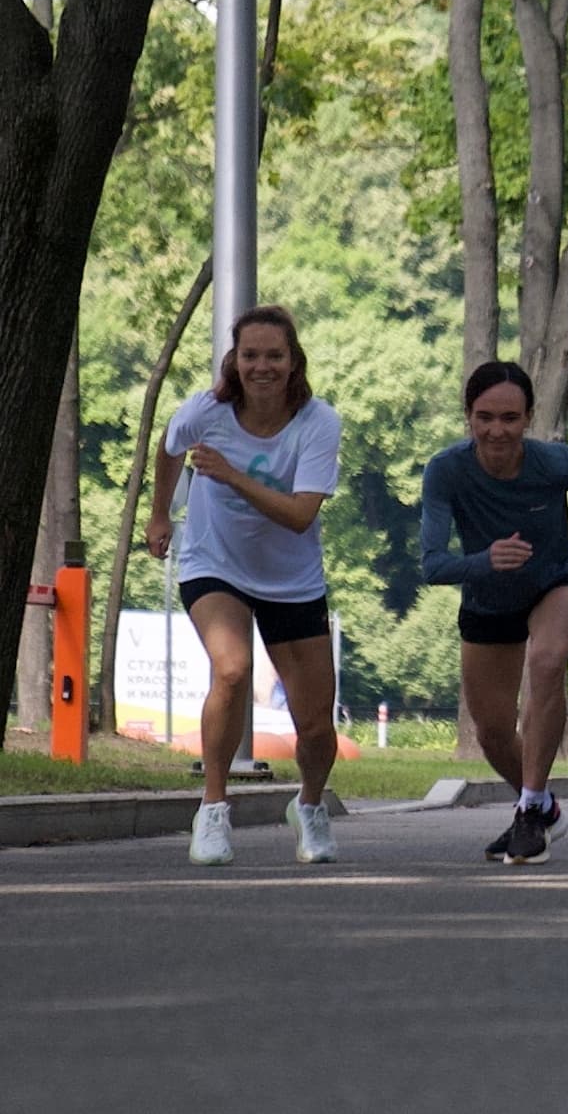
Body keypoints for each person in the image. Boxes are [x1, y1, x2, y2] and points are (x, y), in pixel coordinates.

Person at [146, 304, 344, 866]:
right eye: (250, 355)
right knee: (231, 669)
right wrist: (161, 515)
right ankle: (212, 809)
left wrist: (231, 473)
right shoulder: (207, 410)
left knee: (314, 725)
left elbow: (301, 514)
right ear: (235, 360)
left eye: (274, 356)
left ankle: (308, 805)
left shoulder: (317, 422)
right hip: (216, 565)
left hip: (292, 580)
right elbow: (170, 442)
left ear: (293, 361)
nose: (262, 367)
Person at [420, 361, 568, 865]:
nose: (497, 430)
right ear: (468, 416)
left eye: (510, 418)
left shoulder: (552, 463)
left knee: (548, 663)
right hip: (488, 597)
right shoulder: (446, 471)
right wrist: (484, 561)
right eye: (485, 417)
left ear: (529, 418)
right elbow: (432, 564)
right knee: (491, 730)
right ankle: (541, 806)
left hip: (558, 580)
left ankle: (529, 810)